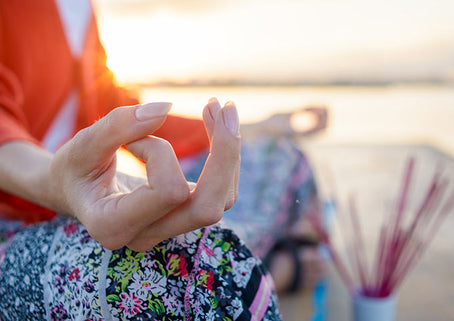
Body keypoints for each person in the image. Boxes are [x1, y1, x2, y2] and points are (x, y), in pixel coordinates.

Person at [0, 0, 326, 319]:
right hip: (18, 212)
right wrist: (54, 180)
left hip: (79, 196)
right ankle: (273, 270)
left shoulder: (82, 8)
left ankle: (258, 266)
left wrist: (258, 127)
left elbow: (113, 105)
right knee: (185, 272)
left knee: (282, 158)